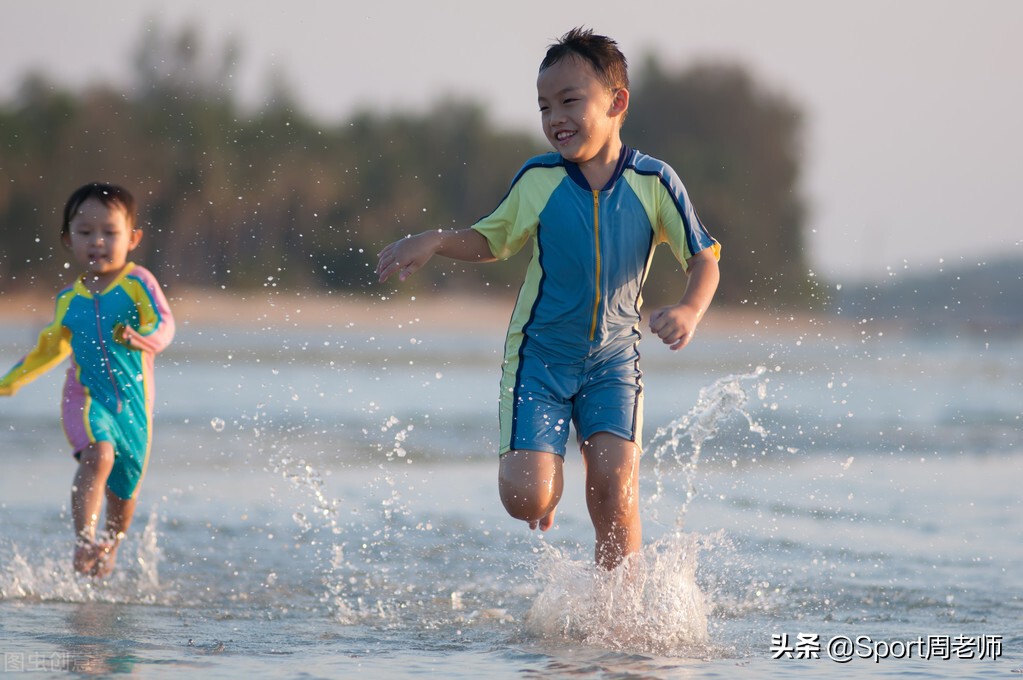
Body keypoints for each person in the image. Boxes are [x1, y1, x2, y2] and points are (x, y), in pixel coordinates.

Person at [376, 28, 720, 570]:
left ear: (616, 102)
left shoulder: (655, 182)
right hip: (540, 359)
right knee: (525, 499)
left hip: (614, 363)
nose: (554, 116)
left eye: (569, 101)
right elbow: (493, 240)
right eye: (543, 106)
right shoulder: (539, 180)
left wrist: (689, 309)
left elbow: (704, 257)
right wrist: (438, 241)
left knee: (615, 489)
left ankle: (620, 614)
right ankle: (545, 482)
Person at [0, 183, 175, 578]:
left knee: (124, 496)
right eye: (85, 232)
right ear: (68, 240)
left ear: (132, 238)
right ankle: (83, 541)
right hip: (86, 398)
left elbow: (164, 321)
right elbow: (47, 350)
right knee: (100, 456)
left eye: (110, 233)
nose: (97, 241)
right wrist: (6, 384)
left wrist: (150, 339)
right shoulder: (68, 300)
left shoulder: (138, 283)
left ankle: (108, 548)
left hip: (133, 407)